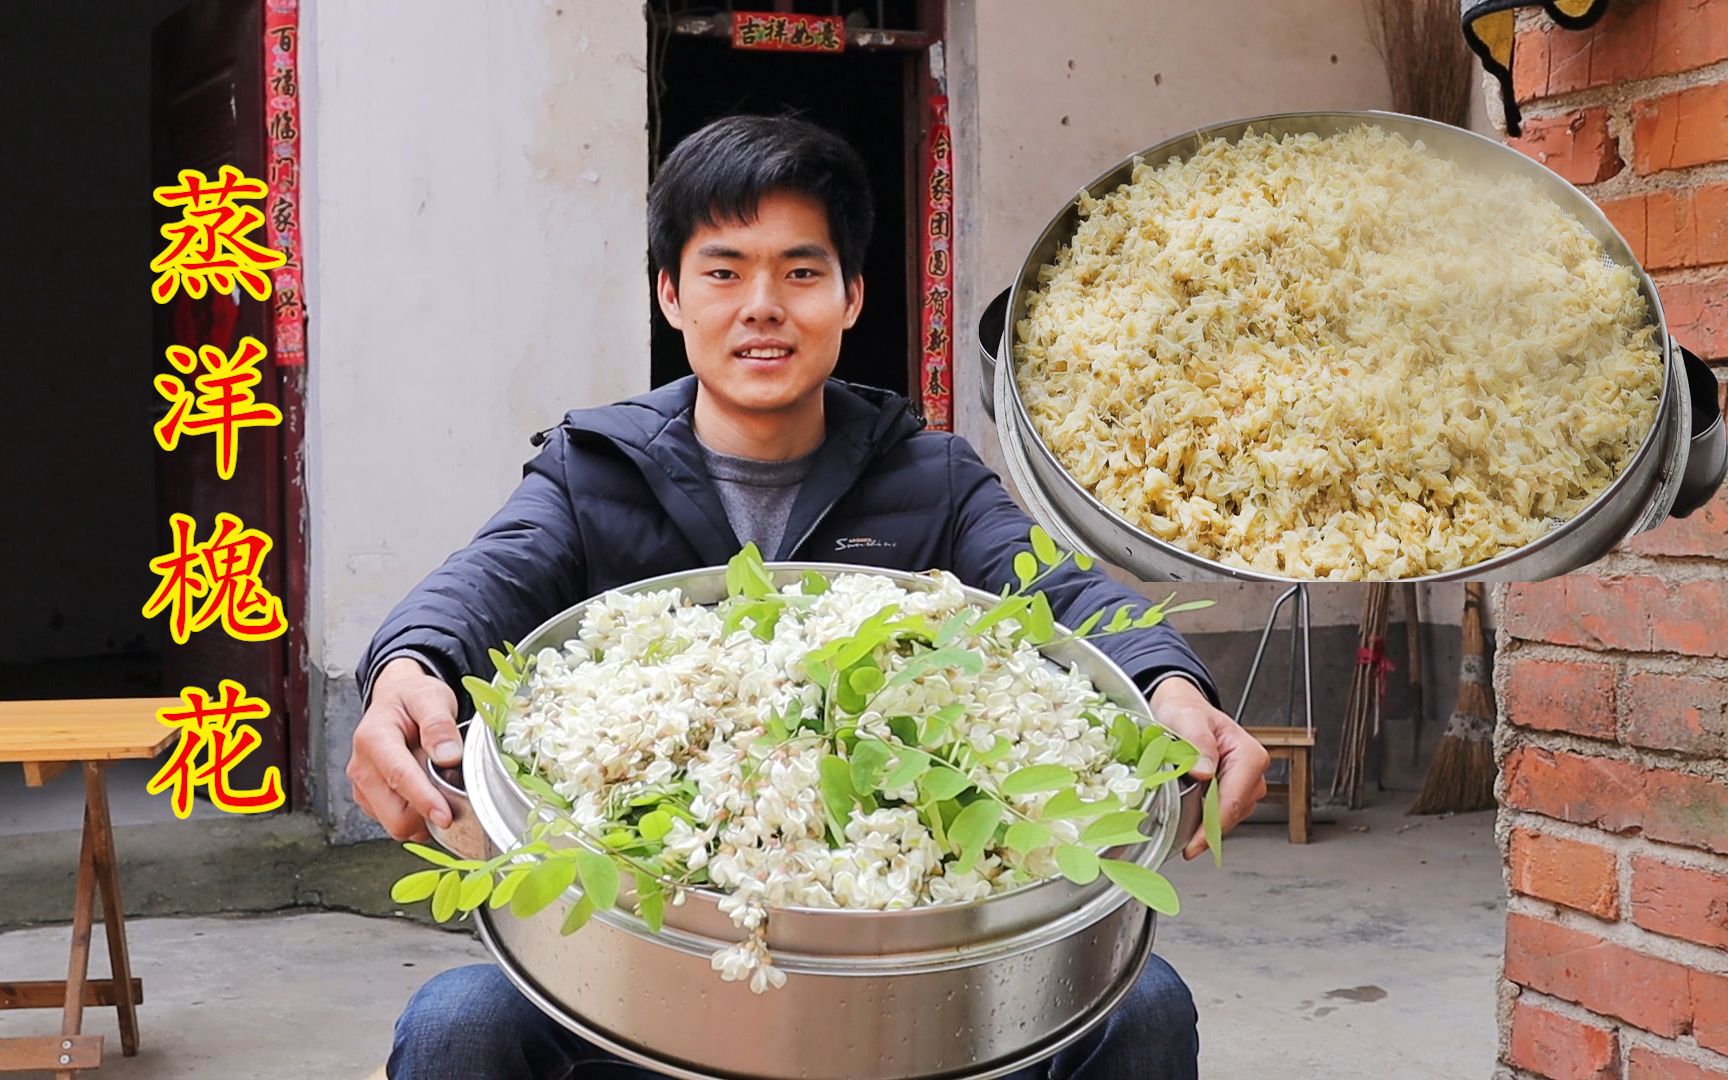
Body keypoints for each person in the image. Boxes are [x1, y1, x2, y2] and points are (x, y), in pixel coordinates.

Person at [351, 114, 1271, 1080]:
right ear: (670, 294)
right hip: (649, 960)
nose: (762, 306)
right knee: (459, 1021)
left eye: (800, 271)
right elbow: (488, 578)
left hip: (896, 992)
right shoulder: (595, 470)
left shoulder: (934, 478)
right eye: (722, 270)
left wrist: (1166, 685)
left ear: (851, 295)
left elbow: (1065, 596)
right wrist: (406, 667)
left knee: (1144, 1005)